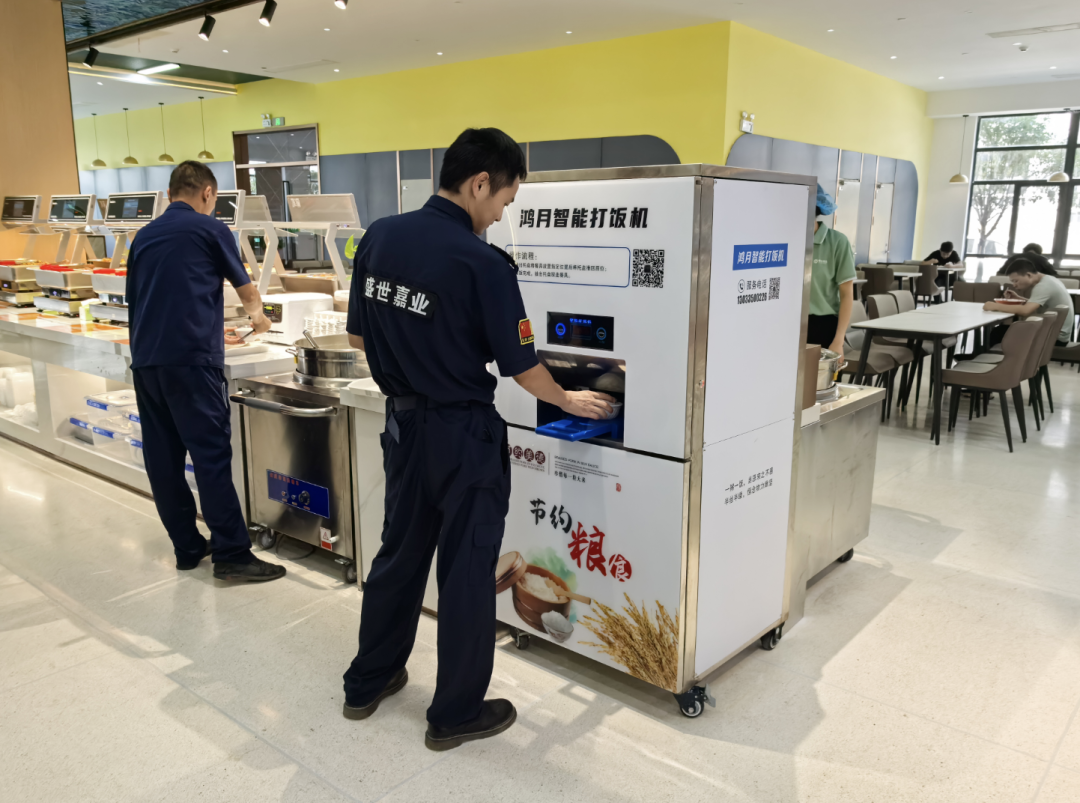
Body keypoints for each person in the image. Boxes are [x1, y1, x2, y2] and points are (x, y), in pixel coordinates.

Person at [341, 128, 613, 751]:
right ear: (480, 183)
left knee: (398, 557)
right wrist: (569, 400)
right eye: (503, 202)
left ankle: (367, 682)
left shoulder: (380, 236)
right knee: (467, 572)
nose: (499, 217)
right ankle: (454, 713)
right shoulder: (482, 263)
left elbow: (358, 337)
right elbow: (522, 367)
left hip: (403, 427)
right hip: (463, 436)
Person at [127, 161, 284, 583]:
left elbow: (139, 299)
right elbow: (247, 291)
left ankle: (187, 547)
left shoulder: (143, 236)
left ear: (170, 193)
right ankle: (232, 554)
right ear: (208, 193)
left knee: (163, 460)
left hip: (147, 361)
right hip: (191, 362)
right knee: (210, 456)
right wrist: (260, 321)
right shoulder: (210, 229)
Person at [807, 184, 855, 359]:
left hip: (822, 325)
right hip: (787, 322)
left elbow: (847, 294)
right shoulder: (785, 240)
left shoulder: (837, 242)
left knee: (818, 376)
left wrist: (839, 340)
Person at [983, 258, 1074, 346]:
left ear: (1029, 275)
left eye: (1016, 281)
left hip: (1054, 339)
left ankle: (998, 356)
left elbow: (1025, 311)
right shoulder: (1049, 279)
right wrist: (1019, 298)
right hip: (1057, 334)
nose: (1014, 285)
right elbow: (1040, 304)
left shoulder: (1043, 286)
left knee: (998, 332)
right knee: (1003, 330)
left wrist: (994, 306)